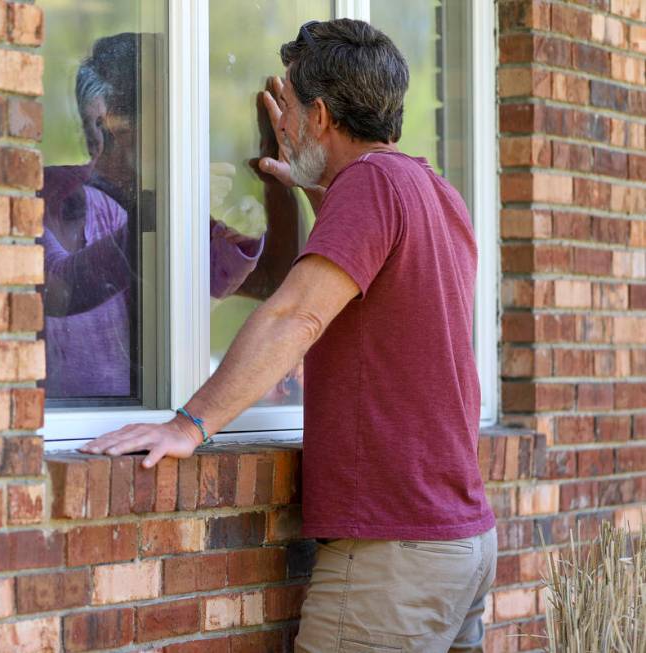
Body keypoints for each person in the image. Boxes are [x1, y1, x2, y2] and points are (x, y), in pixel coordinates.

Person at [81, 18, 496, 653]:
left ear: (322, 115)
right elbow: (361, 289)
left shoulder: (371, 185)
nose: (289, 125)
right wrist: (306, 189)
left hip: (394, 557)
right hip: (459, 544)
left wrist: (188, 425)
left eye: (294, 110)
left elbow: (296, 315)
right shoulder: (434, 191)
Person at [42, 33, 272, 400]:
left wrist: (241, 234)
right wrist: (154, 215)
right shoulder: (53, 192)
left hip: (146, 417)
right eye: (165, 119)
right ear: (105, 124)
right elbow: (59, 289)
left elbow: (210, 281)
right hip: (69, 421)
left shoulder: (162, 198)